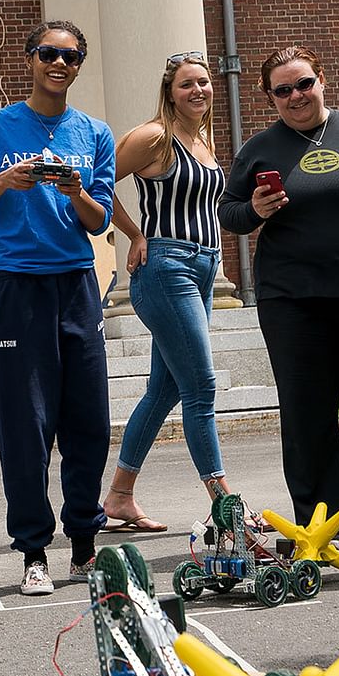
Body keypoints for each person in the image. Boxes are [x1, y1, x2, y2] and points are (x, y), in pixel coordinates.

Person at [218, 45, 339, 541]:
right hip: (292, 301)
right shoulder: (259, 148)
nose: (296, 96)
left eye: (304, 83)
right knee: (308, 411)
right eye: (283, 90)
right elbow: (228, 211)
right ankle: (322, 521)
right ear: (269, 97)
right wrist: (255, 208)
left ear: (322, 80)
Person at [0, 20, 115, 596]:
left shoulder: (94, 132)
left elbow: (98, 222)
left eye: (71, 57)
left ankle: (85, 544)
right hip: (16, 288)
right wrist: (7, 179)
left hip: (75, 285)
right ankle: (32, 552)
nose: (59, 64)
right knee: (24, 425)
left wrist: (74, 192)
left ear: (78, 66)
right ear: (29, 59)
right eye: (49, 53)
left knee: (87, 419)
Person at [101, 52, 235, 532]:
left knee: (166, 389)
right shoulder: (154, 137)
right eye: (187, 85)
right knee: (201, 388)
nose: (198, 90)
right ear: (169, 91)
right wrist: (133, 235)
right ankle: (225, 505)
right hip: (166, 266)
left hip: (203, 267)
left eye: (203, 82)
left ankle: (118, 496)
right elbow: (97, 182)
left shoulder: (202, 138)